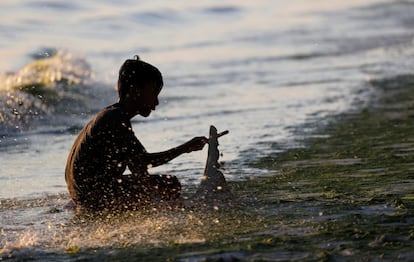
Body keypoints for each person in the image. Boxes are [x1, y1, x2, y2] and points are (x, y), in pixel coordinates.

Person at [65, 56, 208, 211]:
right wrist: (184, 148)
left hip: (82, 194)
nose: (156, 102)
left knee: (156, 184)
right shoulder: (115, 119)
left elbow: (138, 168)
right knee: (170, 185)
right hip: (94, 197)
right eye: (153, 93)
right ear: (135, 90)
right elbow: (143, 161)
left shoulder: (111, 115)